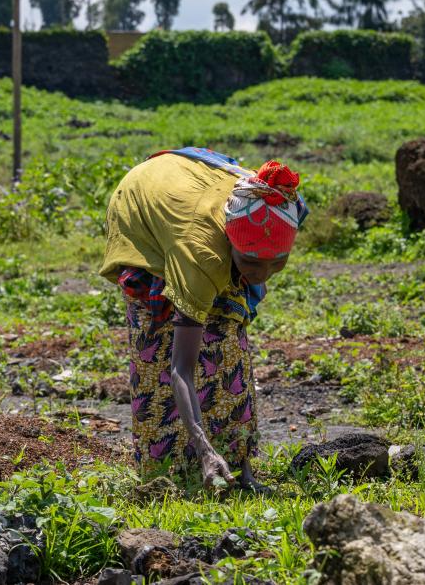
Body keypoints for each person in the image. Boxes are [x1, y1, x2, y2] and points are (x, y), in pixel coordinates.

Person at [100, 147, 307, 490]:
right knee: (161, 341)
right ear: (230, 242)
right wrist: (204, 447)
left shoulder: (277, 204)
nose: (262, 275)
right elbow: (180, 367)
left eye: (276, 262)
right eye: (252, 263)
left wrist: (249, 266)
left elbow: (260, 253)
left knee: (226, 333)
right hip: (142, 204)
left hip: (192, 184)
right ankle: (171, 467)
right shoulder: (201, 254)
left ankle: (239, 463)